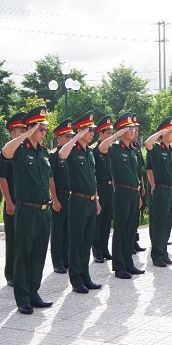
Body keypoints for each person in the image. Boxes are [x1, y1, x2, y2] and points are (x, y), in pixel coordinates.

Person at [2, 106, 54, 315]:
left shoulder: (43, 152)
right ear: (31, 129)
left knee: (39, 254)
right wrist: (26, 134)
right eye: (40, 129)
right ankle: (22, 298)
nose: (43, 132)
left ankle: (34, 292)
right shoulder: (20, 150)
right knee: (23, 254)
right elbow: (5, 152)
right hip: (27, 209)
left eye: (44, 129)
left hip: (43, 210)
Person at [58, 112, 102, 293]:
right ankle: (76, 279)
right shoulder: (72, 150)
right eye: (88, 130)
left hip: (91, 201)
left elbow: (93, 178)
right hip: (77, 201)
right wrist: (75, 136)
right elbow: (61, 153)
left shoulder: (89, 152)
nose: (92, 133)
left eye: (92, 130)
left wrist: (97, 200)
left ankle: (85, 275)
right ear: (79, 131)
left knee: (86, 241)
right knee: (76, 242)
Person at [98, 112, 144, 279]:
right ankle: (119, 266)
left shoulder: (132, 150)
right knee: (121, 230)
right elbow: (101, 148)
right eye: (129, 128)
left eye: (133, 127)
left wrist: (138, 194)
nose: (133, 130)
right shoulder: (116, 148)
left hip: (133, 193)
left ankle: (128, 262)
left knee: (131, 230)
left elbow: (135, 173)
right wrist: (117, 134)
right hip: (122, 192)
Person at [144, 117, 172, 267]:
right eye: (170, 132)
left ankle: (164, 252)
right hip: (162, 191)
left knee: (168, 224)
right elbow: (147, 143)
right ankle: (157, 255)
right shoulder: (157, 150)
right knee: (159, 224)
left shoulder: (171, 150)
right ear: (163, 134)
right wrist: (159, 132)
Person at [0, 112, 26, 287]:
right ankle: (10, 273)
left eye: (25, 129)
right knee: (13, 239)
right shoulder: (7, 152)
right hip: (13, 202)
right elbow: (2, 178)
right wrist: (8, 201)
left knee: (24, 240)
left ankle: (22, 272)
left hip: (26, 204)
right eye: (20, 129)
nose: (24, 132)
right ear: (12, 133)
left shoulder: (26, 151)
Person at [49, 118, 73, 274]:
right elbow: (51, 179)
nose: (69, 140)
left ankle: (66, 259)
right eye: (66, 137)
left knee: (68, 230)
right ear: (58, 138)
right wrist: (55, 200)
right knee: (57, 231)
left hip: (71, 196)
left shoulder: (71, 154)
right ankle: (57, 261)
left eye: (71, 137)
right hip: (60, 195)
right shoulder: (54, 155)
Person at [91, 115, 114, 263]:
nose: (110, 137)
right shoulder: (93, 150)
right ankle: (97, 251)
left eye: (111, 134)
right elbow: (92, 173)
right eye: (107, 134)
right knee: (98, 221)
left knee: (107, 220)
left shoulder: (111, 150)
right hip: (99, 187)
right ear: (100, 134)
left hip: (110, 187)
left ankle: (105, 248)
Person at [129, 114, 147, 254]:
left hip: (137, 185)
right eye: (133, 129)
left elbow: (140, 170)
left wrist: (142, 186)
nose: (135, 132)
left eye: (137, 130)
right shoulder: (123, 148)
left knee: (135, 216)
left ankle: (134, 241)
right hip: (126, 189)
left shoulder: (136, 148)